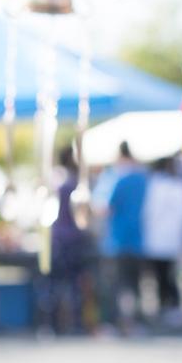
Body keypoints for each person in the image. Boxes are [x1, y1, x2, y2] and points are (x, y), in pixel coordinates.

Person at [140, 155, 182, 327]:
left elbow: (148, 212)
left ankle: (167, 306)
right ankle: (169, 307)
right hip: (172, 238)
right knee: (167, 275)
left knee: (162, 276)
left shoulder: (155, 185)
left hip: (158, 238)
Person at [98, 144, 149, 330]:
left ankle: (115, 323)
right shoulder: (142, 178)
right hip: (137, 239)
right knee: (133, 285)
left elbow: (105, 208)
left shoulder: (118, 179)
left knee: (115, 285)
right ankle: (133, 322)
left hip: (117, 240)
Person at [48, 146, 94, 335]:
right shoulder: (75, 183)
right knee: (74, 283)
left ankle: (55, 324)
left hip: (61, 238)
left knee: (58, 284)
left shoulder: (60, 181)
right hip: (73, 238)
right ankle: (74, 322)